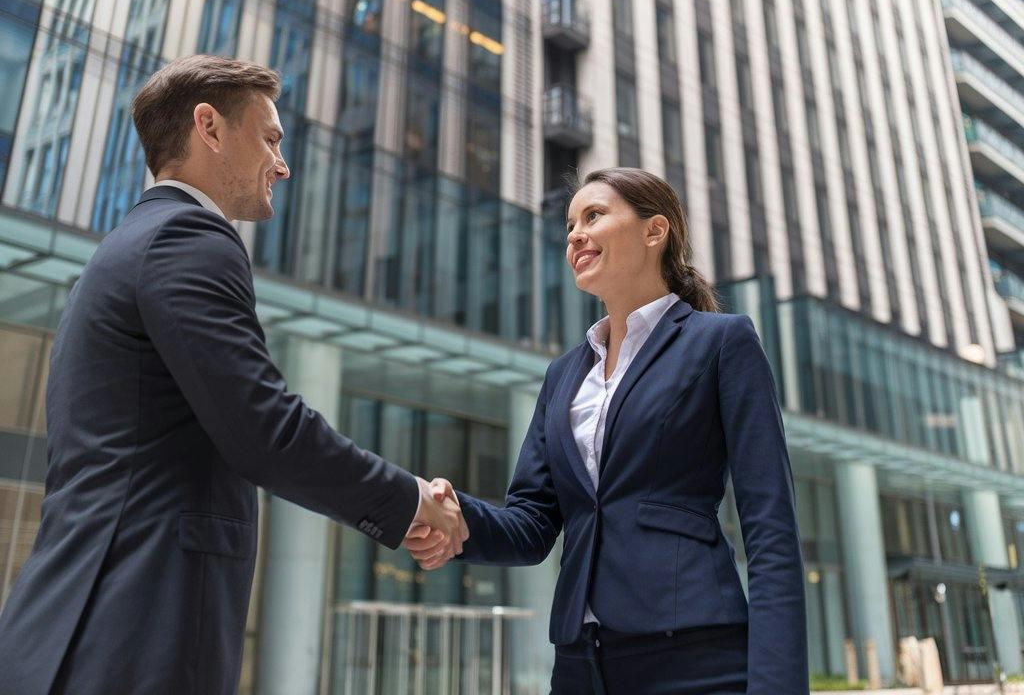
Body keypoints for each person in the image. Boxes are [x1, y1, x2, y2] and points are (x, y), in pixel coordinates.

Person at [0, 54, 466, 695]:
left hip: (81, 619)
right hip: (137, 624)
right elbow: (264, 429)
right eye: (270, 138)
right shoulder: (187, 237)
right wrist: (410, 499)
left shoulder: (128, 244)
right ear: (209, 126)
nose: (283, 163)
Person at [407, 168, 808, 694]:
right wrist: (456, 520)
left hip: (692, 652)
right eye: (570, 223)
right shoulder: (565, 374)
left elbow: (770, 527)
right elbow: (532, 523)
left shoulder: (721, 343)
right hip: (580, 660)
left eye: (593, 216)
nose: (574, 234)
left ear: (654, 230)